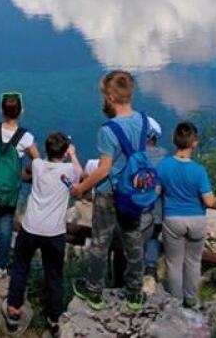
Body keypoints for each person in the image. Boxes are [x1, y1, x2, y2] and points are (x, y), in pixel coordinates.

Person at [70, 70, 159, 310]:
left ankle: (95, 291)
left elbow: (104, 169)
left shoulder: (107, 130)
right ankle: (133, 292)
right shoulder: (143, 120)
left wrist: (81, 188)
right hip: (134, 190)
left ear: (110, 98)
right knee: (133, 239)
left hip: (110, 193)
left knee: (100, 241)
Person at [3, 132, 81, 337]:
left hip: (29, 227)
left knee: (21, 267)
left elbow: (29, 167)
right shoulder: (69, 169)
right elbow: (80, 174)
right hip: (54, 232)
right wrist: (73, 155)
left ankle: (13, 310)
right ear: (64, 152)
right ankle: (54, 318)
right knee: (54, 275)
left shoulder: (37, 165)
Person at [0, 91, 39, 281]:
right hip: (9, 188)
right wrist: (28, 170)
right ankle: (0, 266)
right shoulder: (25, 137)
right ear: (22, 112)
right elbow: (37, 161)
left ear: (0, 110)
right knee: (6, 223)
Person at [156, 122, 215, 307]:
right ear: (194, 143)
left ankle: (175, 300)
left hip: (173, 218)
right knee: (193, 262)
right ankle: (191, 299)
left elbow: (157, 192)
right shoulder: (199, 170)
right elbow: (209, 201)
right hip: (196, 219)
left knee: (174, 263)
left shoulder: (163, 166)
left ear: (174, 141)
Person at [141, 118, 166, 294]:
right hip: (156, 211)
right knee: (153, 240)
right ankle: (150, 271)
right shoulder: (164, 161)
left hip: (135, 210)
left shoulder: (134, 157)